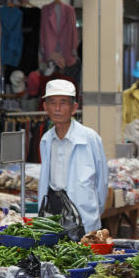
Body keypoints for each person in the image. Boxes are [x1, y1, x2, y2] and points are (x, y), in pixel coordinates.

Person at [37, 80, 107, 237]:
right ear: (45, 107)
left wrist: (94, 212)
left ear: (74, 108)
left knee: (83, 256)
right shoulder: (46, 139)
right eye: (52, 102)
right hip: (54, 209)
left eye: (63, 103)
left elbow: (102, 182)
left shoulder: (90, 138)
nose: (57, 108)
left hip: (83, 211)